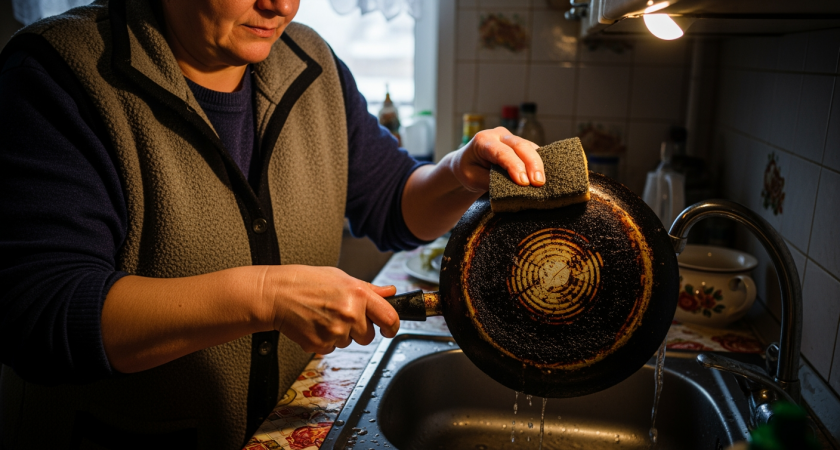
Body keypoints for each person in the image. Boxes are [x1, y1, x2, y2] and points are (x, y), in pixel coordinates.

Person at [0, 0, 544, 448]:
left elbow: (393, 205)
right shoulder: (64, 73)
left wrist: (458, 171)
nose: (280, 5)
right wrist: (266, 295)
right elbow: (43, 314)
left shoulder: (309, 62)